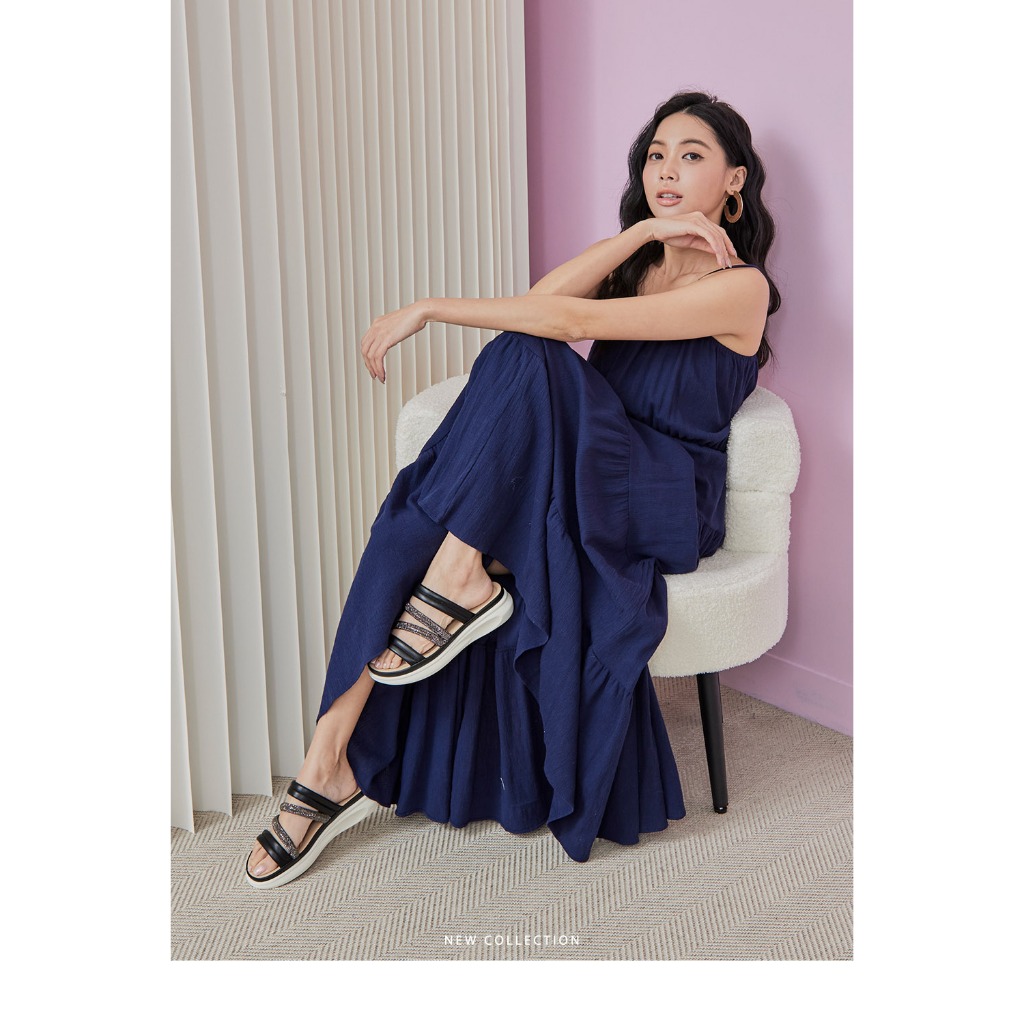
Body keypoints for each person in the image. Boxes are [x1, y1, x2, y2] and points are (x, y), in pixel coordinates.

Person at [245, 90, 781, 888]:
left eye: (691, 156)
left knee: (527, 354)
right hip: (587, 466)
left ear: (734, 181)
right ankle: (329, 757)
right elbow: (539, 305)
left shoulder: (743, 288)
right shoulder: (640, 264)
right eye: (655, 156)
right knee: (418, 515)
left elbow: (562, 322)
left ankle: (453, 586)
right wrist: (639, 234)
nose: (666, 171)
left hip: (661, 492)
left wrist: (430, 307)